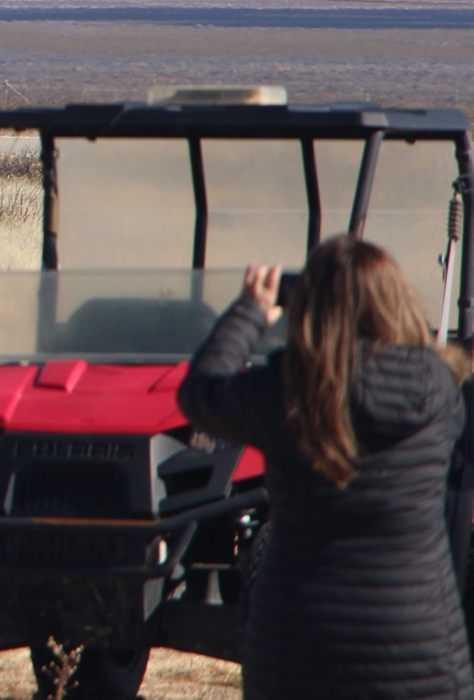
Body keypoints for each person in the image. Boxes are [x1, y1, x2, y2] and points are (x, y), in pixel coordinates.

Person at [178, 234, 473, 700]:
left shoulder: (285, 392)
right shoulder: (437, 390)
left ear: (307, 309)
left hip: (297, 645)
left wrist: (249, 312)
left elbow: (200, 393)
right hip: (419, 645)